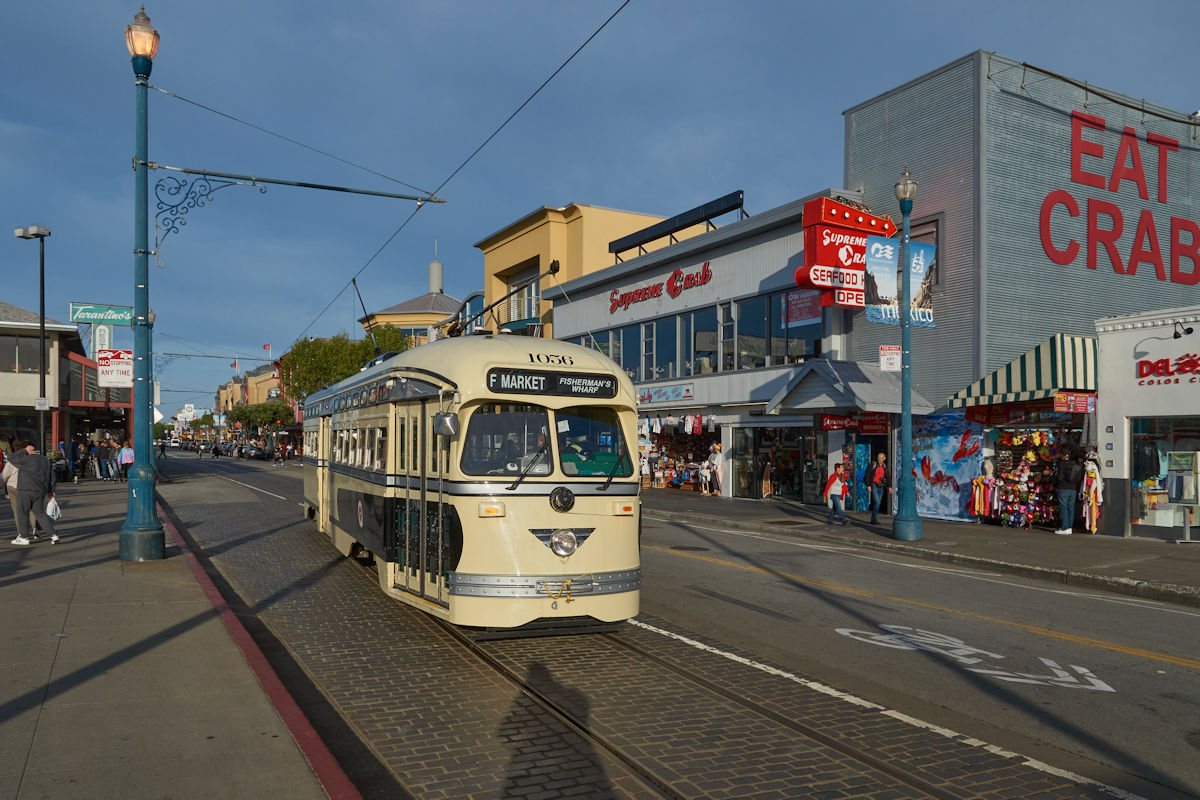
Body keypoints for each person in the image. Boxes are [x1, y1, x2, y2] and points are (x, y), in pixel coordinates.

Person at [8, 441, 58, 546]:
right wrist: (51, 490)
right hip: (40, 490)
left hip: (25, 489)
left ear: (28, 450)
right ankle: (53, 535)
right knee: (40, 513)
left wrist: (23, 451)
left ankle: (23, 537)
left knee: (22, 513)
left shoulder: (25, 459)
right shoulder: (46, 460)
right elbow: (52, 476)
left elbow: (11, 458)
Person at [2, 456, 41, 541]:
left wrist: (5, 483)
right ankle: (35, 528)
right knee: (31, 508)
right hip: (29, 487)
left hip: (13, 486)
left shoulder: (12, 461)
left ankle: (22, 533)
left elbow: (4, 475)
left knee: (17, 510)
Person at [1055, 449, 1083, 534]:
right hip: (1073, 488)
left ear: (1063, 455)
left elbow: (1059, 477)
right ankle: (1069, 527)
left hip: (1063, 488)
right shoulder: (1074, 463)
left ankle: (1064, 527)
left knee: (1063, 508)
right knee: (1071, 508)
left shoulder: (1061, 464)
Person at [867, 451, 892, 524]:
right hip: (874, 485)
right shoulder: (872, 465)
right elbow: (868, 474)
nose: (879, 459)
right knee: (877, 502)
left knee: (878, 503)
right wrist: (868, 485)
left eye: (881, 458)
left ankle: (873, 519)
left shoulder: (884, 466)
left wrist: (889, 486)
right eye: (878, 457)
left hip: (881, 486)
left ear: (884, 458)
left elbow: (887, 477)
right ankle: (873, 519)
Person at [823, 462, 850, 526]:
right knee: (839, 508)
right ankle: (843, 521)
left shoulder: (841, 476)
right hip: (833, 494)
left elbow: (844, 485)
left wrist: (847, 492)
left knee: (834, 508)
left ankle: (829, 520)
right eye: (841, 467)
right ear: (837, 468)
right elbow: (828, 485)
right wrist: (825, 494)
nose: (843, 469)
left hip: (839, 494)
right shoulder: (833, 476)